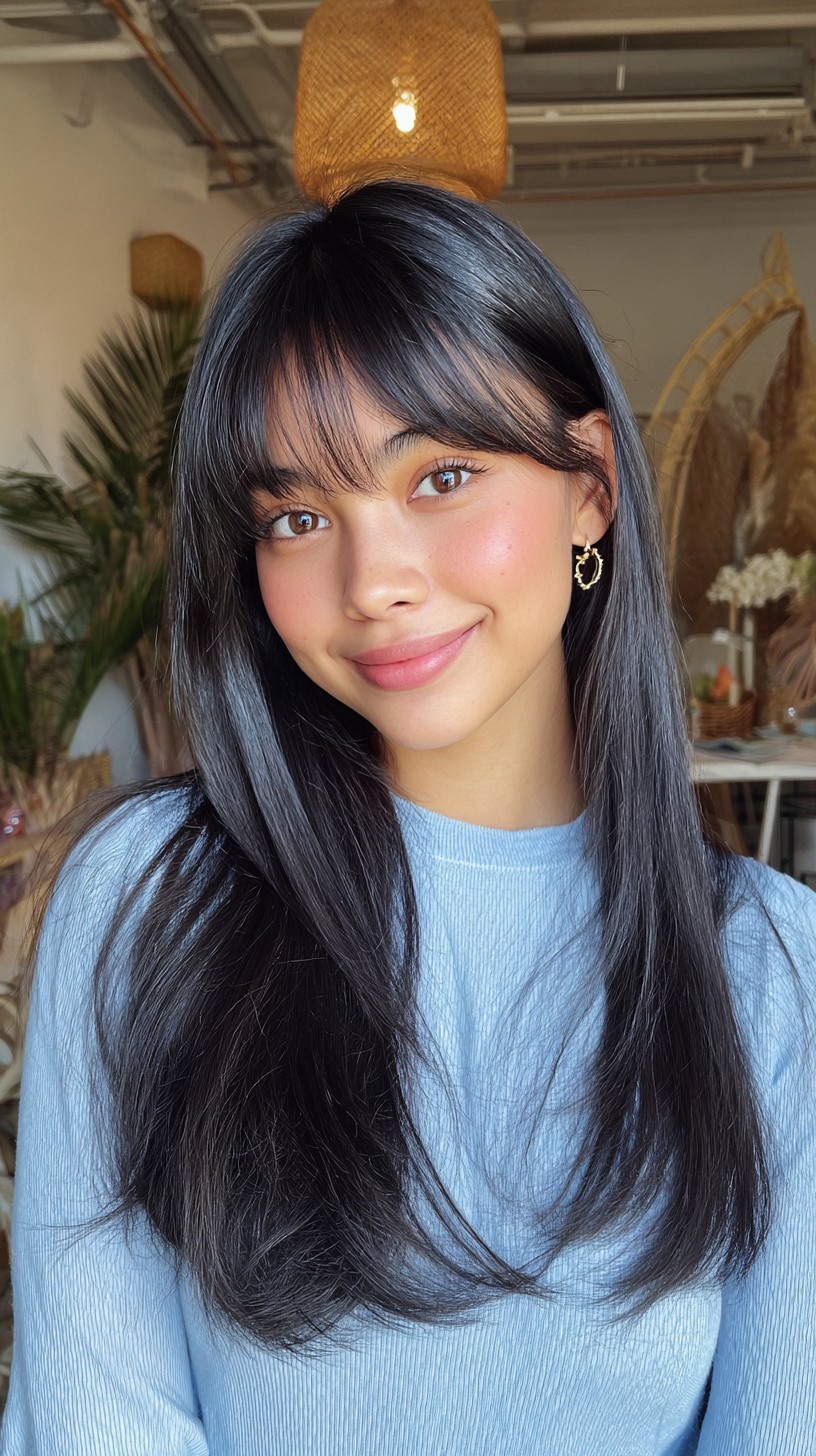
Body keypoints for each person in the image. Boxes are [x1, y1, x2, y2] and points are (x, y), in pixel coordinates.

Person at [1, 178, 814, 1456]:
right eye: (298, 517)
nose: (372, 580)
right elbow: (97, 1419)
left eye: (442, 475)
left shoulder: (775, 975)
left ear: (591, 485)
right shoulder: (148, 905)